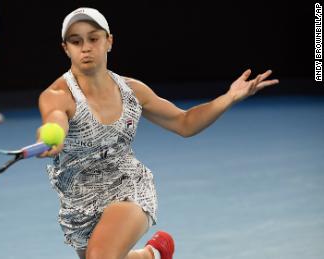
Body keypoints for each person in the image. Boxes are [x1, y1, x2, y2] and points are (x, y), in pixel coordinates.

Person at [37, 7, 279, 259]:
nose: (85, 48)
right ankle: (152, 254)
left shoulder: (133, 91)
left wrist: (228, 98)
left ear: (109, 41)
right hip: (78, 202)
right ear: (66, 48)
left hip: (127, 185)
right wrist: (51, 136)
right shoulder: (57, 95)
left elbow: (184, 122)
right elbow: (55, 119)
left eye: (94, 38)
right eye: (76, 42)